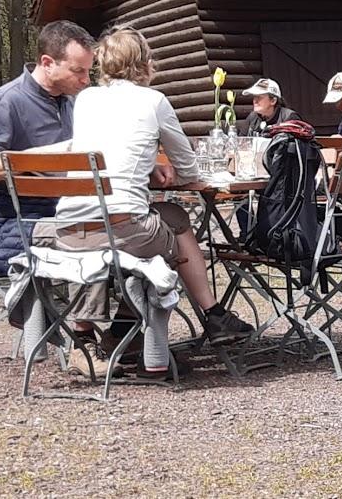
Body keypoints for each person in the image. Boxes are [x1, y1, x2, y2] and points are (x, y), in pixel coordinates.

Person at [51, 27, 253, 376]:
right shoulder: (153, 101)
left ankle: (122, 335)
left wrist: (148, 169)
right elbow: (188, 167)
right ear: (144, 62)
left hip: (68, 228)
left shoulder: (84, 100)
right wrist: (169, 168)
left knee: (166, 218)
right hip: (121, 229)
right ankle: (206, 318)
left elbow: (109, 151)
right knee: (171, 232)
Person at [0, 20, 96, 277]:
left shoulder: (73, 103)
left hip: (67, 214)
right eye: (78, 71)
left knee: (135, 236)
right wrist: (50, 156)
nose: (86, 80)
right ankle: (50, 316)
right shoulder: (7, 101)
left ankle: (105, 318)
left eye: (89, 71)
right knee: (103, 246)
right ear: (47, 63)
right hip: (14, 223)